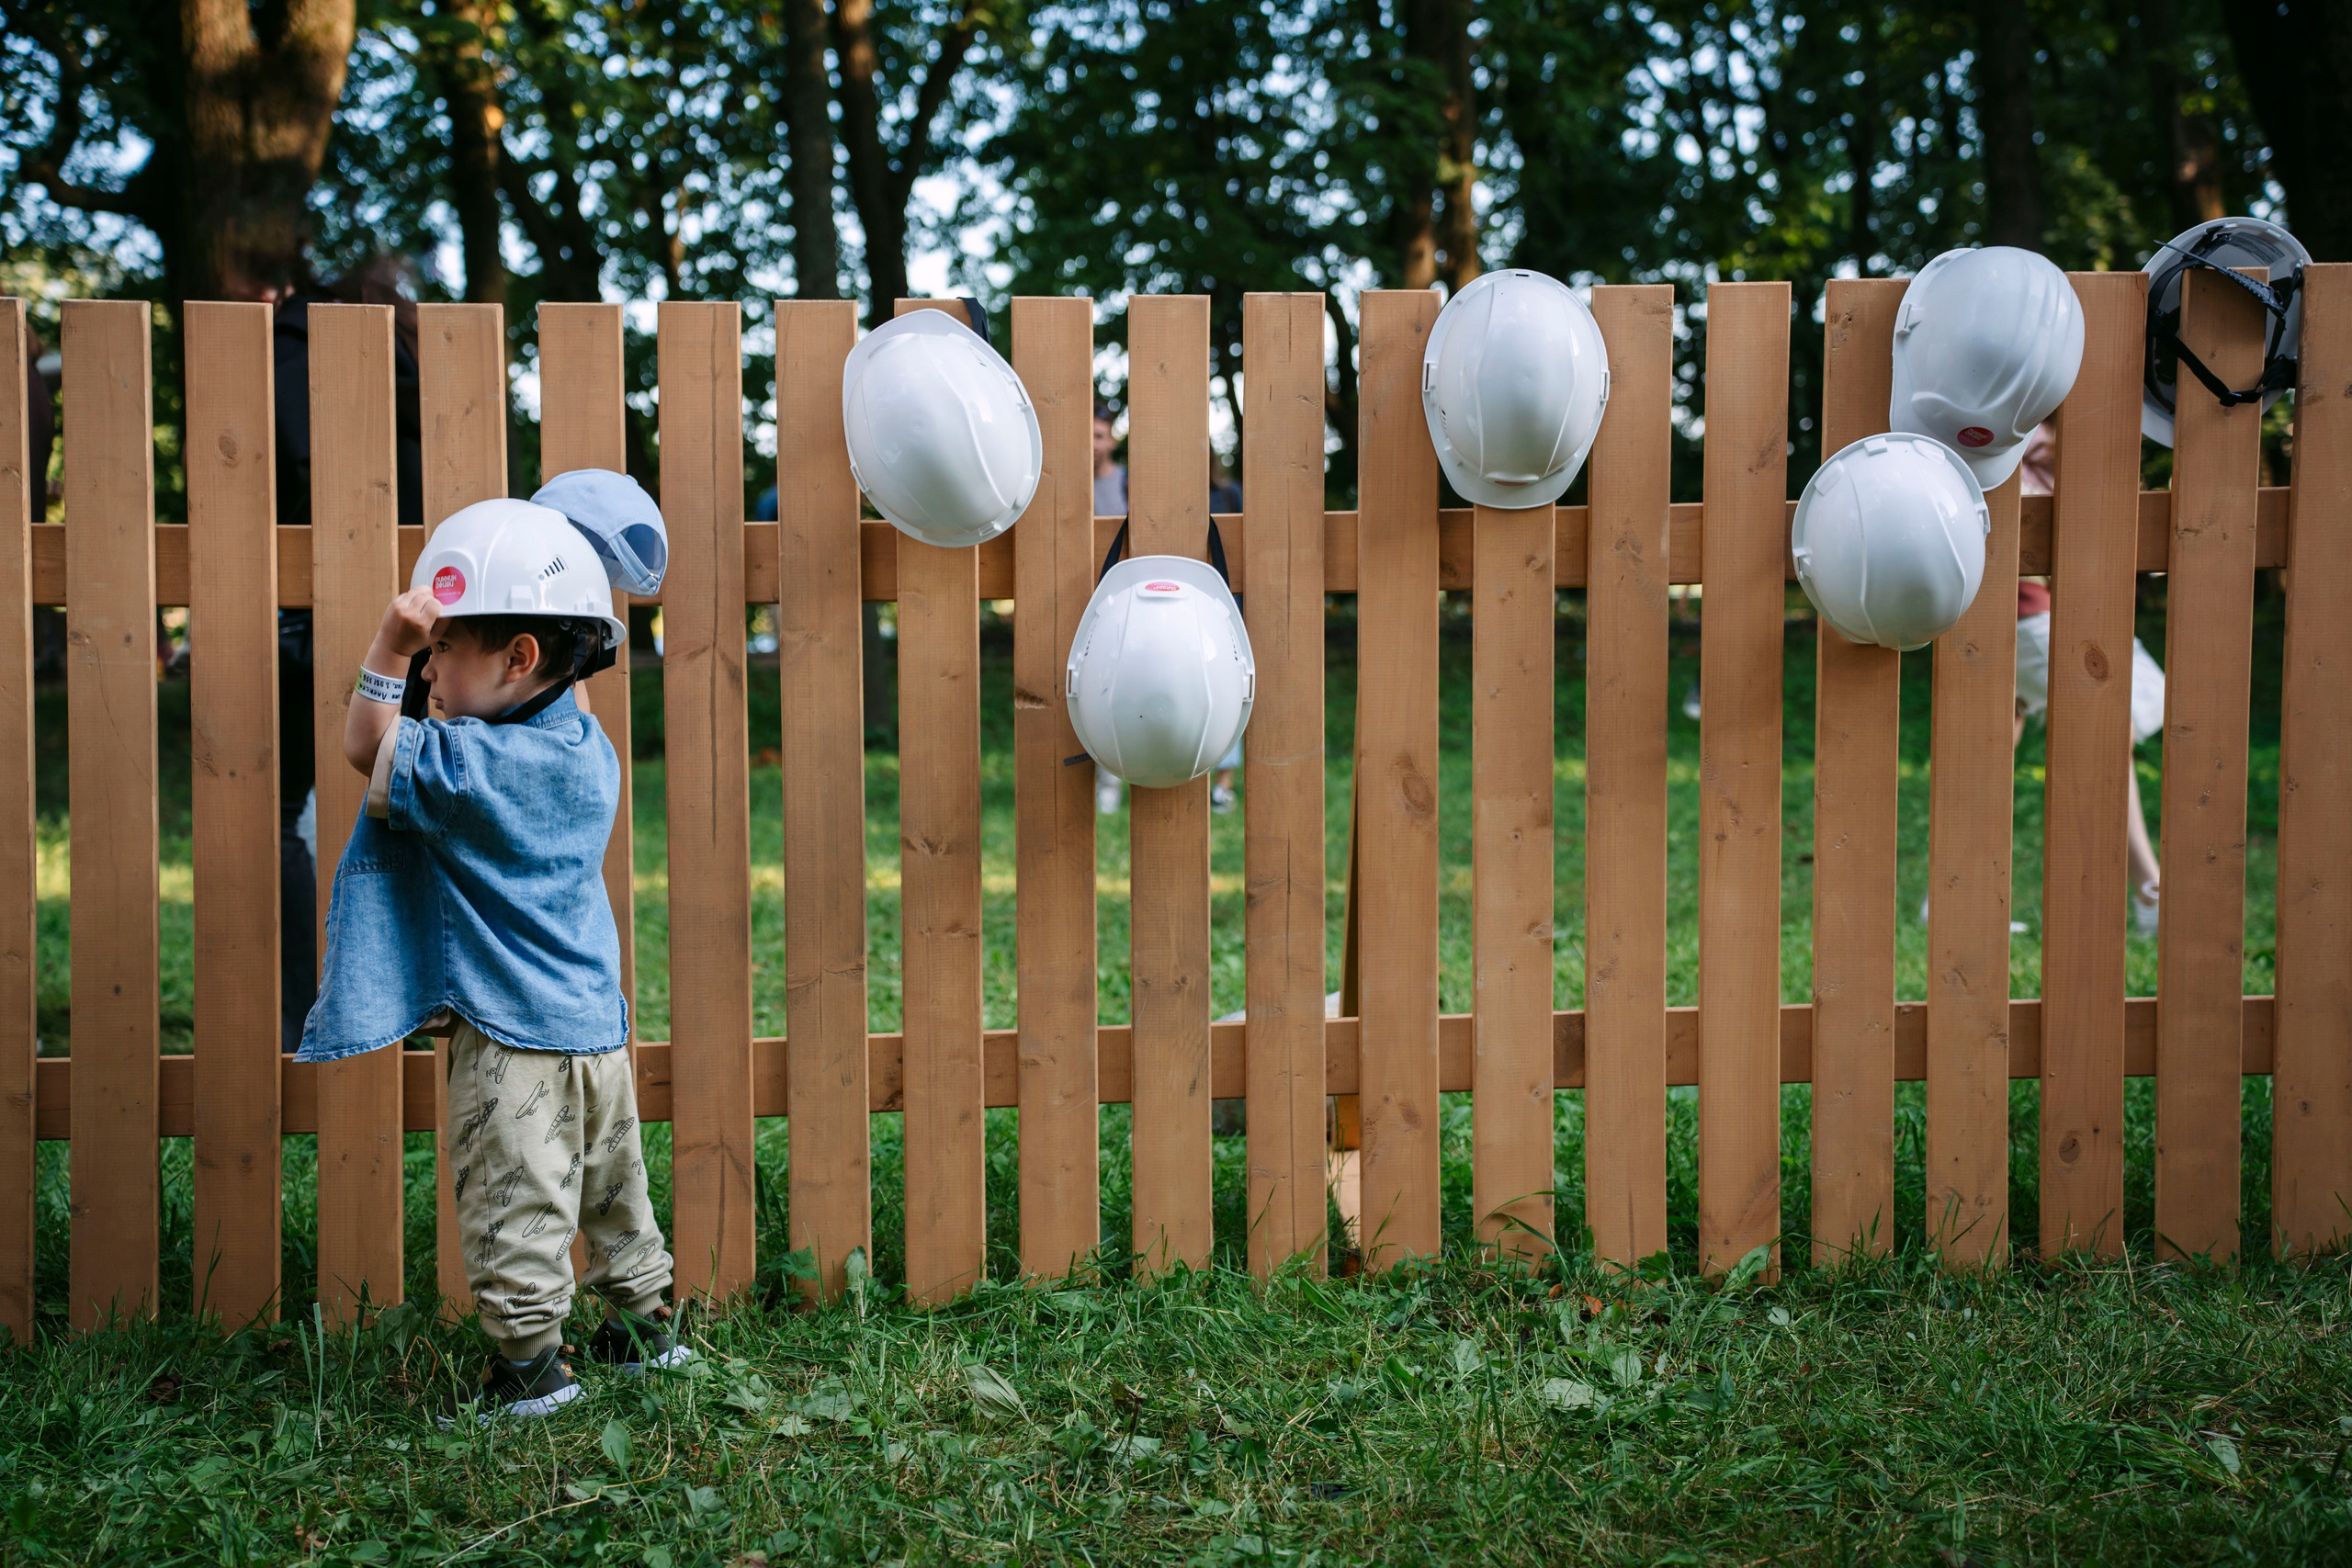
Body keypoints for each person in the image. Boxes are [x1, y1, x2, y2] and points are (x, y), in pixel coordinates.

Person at [298, 490, 688, 1424]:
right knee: (611, 1191)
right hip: (597, 1033)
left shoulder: (467, 769)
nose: (431, 669)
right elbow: (567, 677)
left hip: (511, 1040)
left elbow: (364, 745)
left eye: (445, 651)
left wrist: (389, 644)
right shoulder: (586, 753)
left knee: (517, 1202)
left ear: (517, 658)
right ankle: (645, 1328)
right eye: (426, 652)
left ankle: (528, 1371)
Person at [2013, 423, 2163, 934]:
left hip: (2027, 618)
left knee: (1984, 760)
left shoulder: (2054, 473)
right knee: (2111, 721)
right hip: (2025, 619)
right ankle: (2148, 886)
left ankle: (2148, 886)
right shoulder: (2018, 437)